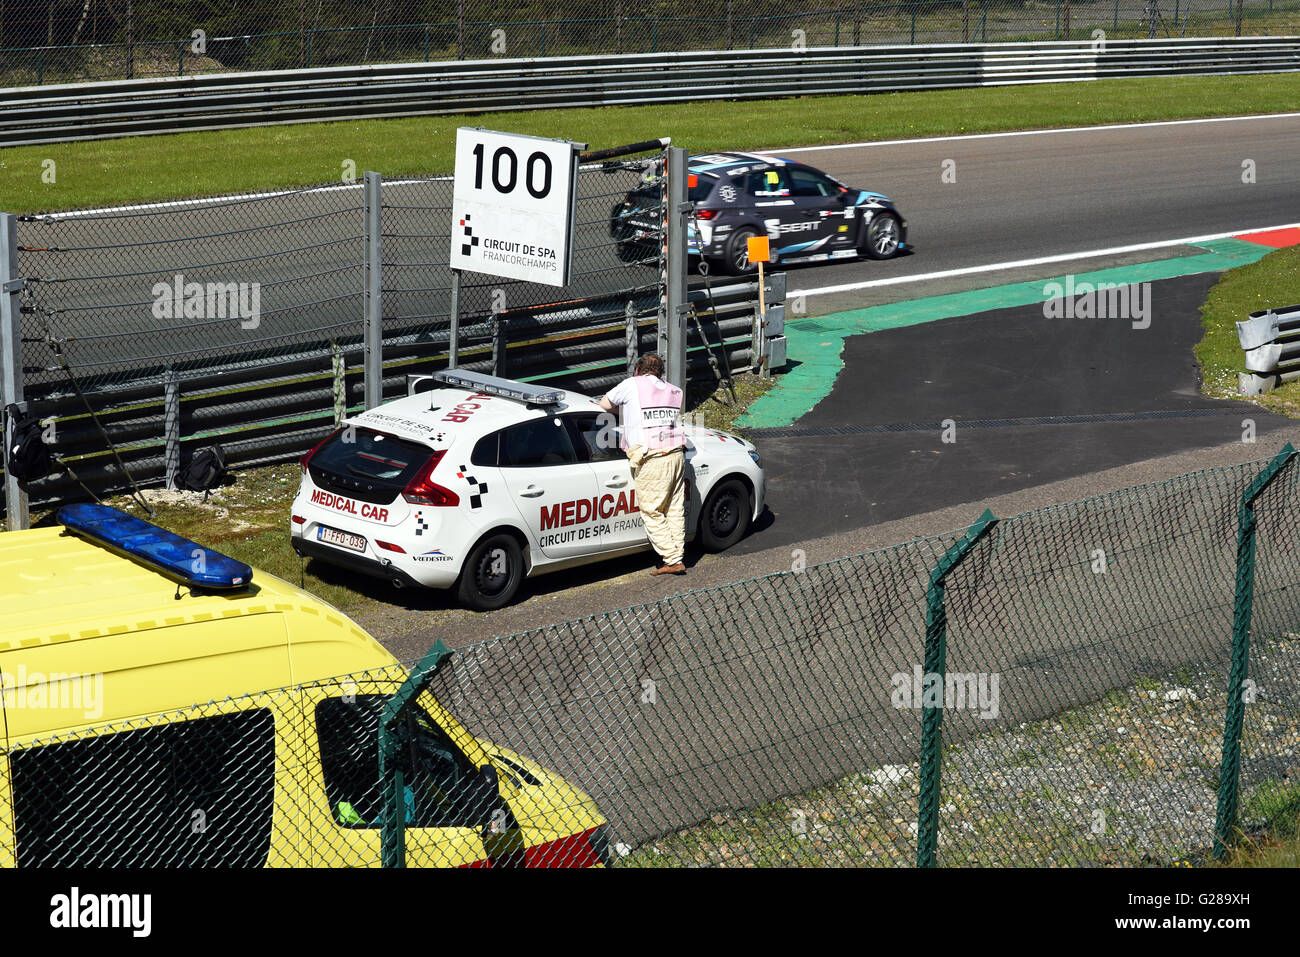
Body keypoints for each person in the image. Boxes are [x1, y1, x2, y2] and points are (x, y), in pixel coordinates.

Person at [600, 354, 687, 576]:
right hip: (677, 453)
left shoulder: (631, 384)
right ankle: (678, 553)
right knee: (674, 508)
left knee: (652, 510)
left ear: (638, 370)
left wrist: (627, 412)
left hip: (653, 457)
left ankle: (673, 559)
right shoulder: (675, 390)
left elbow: (604, 403)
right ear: (661, 372)